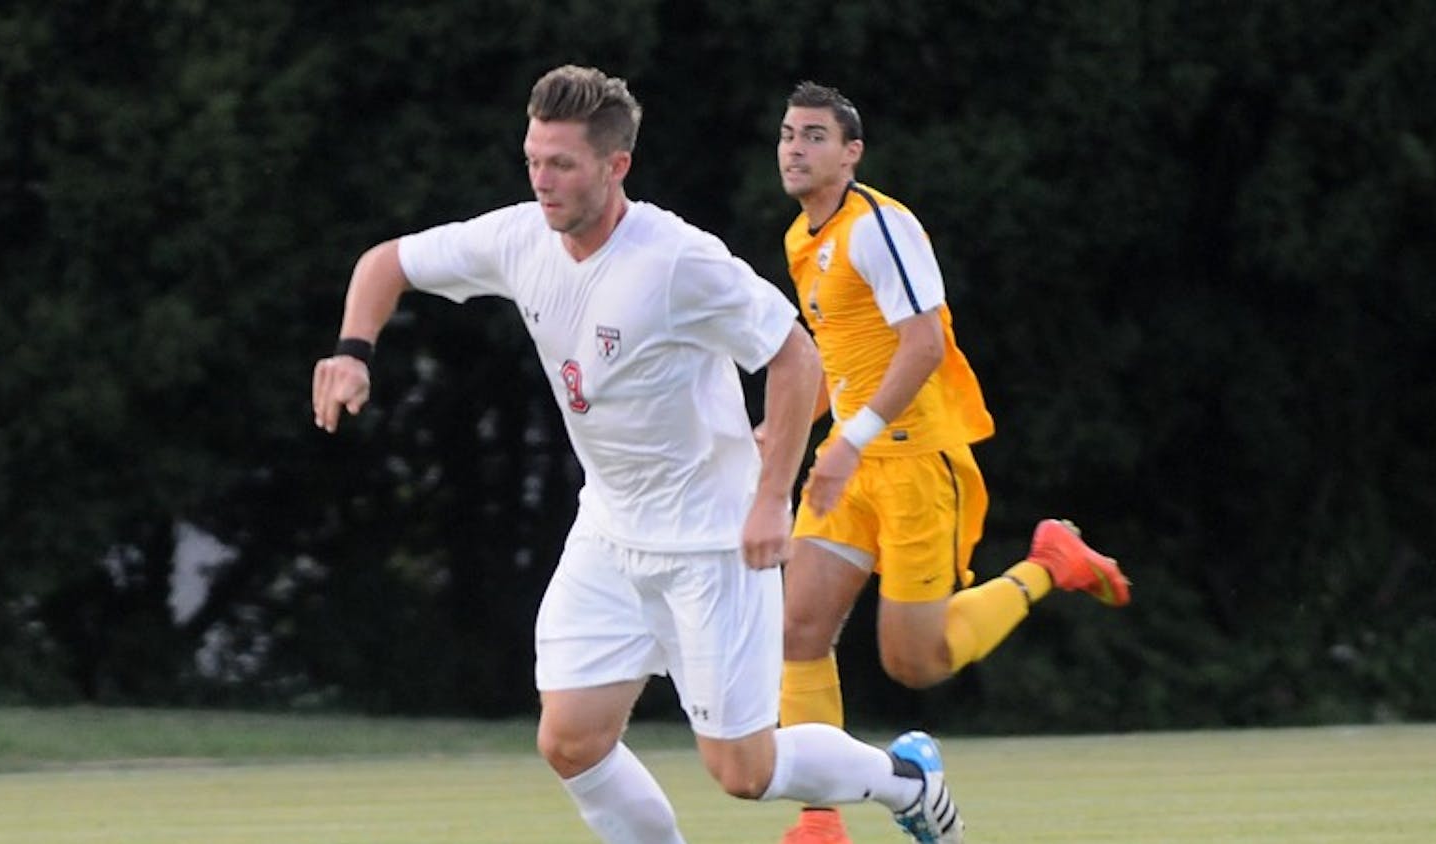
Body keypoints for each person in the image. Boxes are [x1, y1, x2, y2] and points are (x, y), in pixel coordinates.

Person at [312, 65, 965, 844]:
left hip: (712, 541)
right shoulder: (520, 237)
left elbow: (795, 356)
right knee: (570, 741)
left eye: (563, 164)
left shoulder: (677, 259)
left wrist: (770, 498)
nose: (542, 181)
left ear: (615, 165)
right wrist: (352, 352)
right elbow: (386, 263)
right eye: (533, 160)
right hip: (610, 535)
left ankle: (906, 780)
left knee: (745, 772)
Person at [772, 81, 1133, 844]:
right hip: (851, 467)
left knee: (916, 663)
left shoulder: (881, 227)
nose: (795, 149)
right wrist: (772, 438)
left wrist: (850, 440)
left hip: (916, 464)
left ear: (851, 153)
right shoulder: (802, 237)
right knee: (797, 632)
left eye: (814, 136)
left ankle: (1049, 565)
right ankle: (820, 820)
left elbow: (925, 344)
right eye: (788, 135)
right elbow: (838, 363)